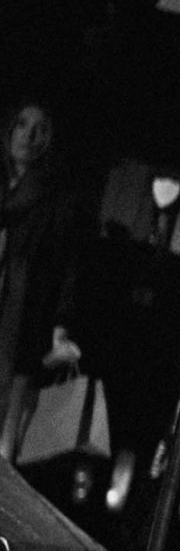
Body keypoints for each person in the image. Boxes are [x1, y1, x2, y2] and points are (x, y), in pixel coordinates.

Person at [0, 102, 85, 459]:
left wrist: (60, 324)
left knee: (8, 420)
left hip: (22, 315)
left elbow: (64, 264)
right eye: (22, 125)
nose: (29, 136)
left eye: (40, 129)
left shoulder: (56, 197)